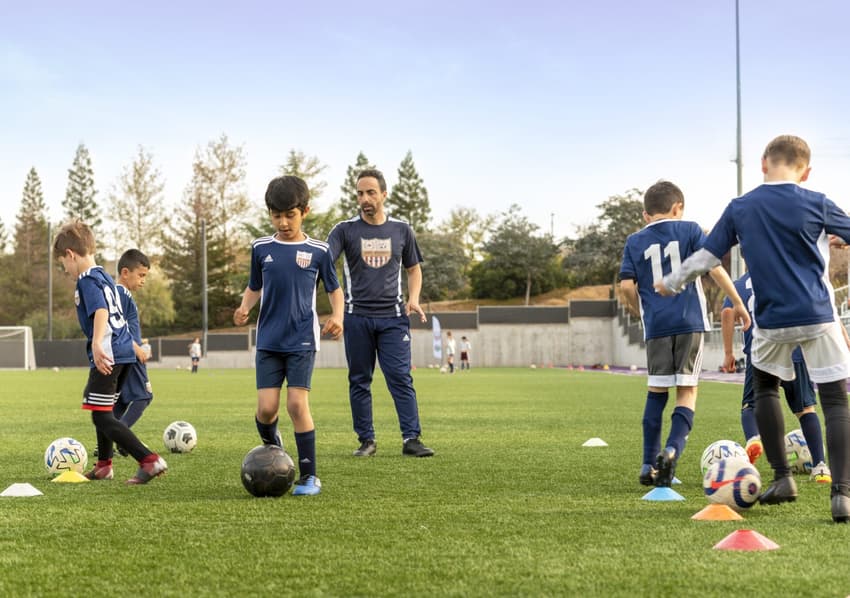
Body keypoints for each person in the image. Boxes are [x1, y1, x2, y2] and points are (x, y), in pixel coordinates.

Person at [657, 135, 850, 522]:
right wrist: (838, 240)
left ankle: (782, 478)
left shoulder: (741, 207)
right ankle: (842, 496)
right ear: (806, 171)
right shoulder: (816, 202)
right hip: (817, 315)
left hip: (772, 320)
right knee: (833, 400)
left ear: (763, 164)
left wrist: (671, 281)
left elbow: (709, 257)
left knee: (764, 388)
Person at [619, 180, 749, 488]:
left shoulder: (634, 241)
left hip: (657, 327)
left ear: (644, 214)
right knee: (687, 391)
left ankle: (648, 464)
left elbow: (626, 287)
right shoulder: (690, 229)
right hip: (690, 322)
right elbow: (714, 268)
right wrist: (738, 302)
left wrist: (641, 313)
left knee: (656, 391)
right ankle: (673, 449)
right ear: (678, 208)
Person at [234, 175, 344, 496]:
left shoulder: (319, 251)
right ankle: (274, 452)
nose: (283, 222)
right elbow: (255, 287)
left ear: (305, 211)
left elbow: (335, 291)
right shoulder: (261, 248)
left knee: (297, 404)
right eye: (276, 215)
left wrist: (337, 316)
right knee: (267, 409)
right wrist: (244, 308)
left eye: (290, 215)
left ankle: (309, 476)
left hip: (302, 340)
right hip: (268, 340)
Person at [326, 168, 435, 458]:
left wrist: (414, 298)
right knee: (360, 379)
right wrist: (335, 310)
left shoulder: (402, 230)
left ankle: (411, 439)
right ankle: (366, 441)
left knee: (400, 376)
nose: (365, 198)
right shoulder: (344, 230)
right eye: (360, 193)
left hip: (393, 318)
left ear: (384, 194)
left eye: (371, 192)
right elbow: (324, 263)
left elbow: (414, 269)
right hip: (356, 316)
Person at [52, 221, 167, 484]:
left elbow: (101, 311)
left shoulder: (87, 280)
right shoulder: (103, 275)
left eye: (63, 264)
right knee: (106, 410)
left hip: (109, 353)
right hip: (124, 352)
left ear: (71, 254)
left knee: (101, 415)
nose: (66, 269)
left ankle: (149, 460)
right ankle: (104, 466)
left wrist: (97, 343)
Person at [721, 271, 831, 483]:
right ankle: (820, 467)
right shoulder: (785, 273)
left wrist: (728, 353)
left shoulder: (739, 284)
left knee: (751, 405)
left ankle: (754, 438)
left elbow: (727, 312)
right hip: (794, 349)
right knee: (805, 409)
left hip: (760, 351)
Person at [111, 249, 155, 453]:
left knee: (120, 401)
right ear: (125, 272)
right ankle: (123, 437)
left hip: (125, 351)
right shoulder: (121, 292)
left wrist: (140, 343)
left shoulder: (120, 293)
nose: (143, 281)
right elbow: (117, 323)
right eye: (141, 275)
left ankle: (107, 441)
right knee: (144, 396)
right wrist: (136, 347)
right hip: (129, 353)